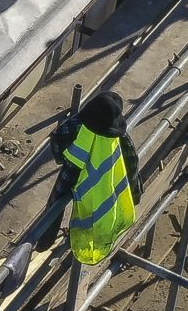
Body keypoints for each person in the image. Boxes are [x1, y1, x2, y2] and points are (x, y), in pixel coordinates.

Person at [48, 90, 138, 267]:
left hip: (72, 173)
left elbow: (57, 143)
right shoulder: (119, 136)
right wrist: (134, 193)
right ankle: (62, 236)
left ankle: (45, 239)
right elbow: (131, 160)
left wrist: (64, 158)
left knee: (55, 206)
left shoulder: (73, 125)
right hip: (103, 182)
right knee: (94, 210)